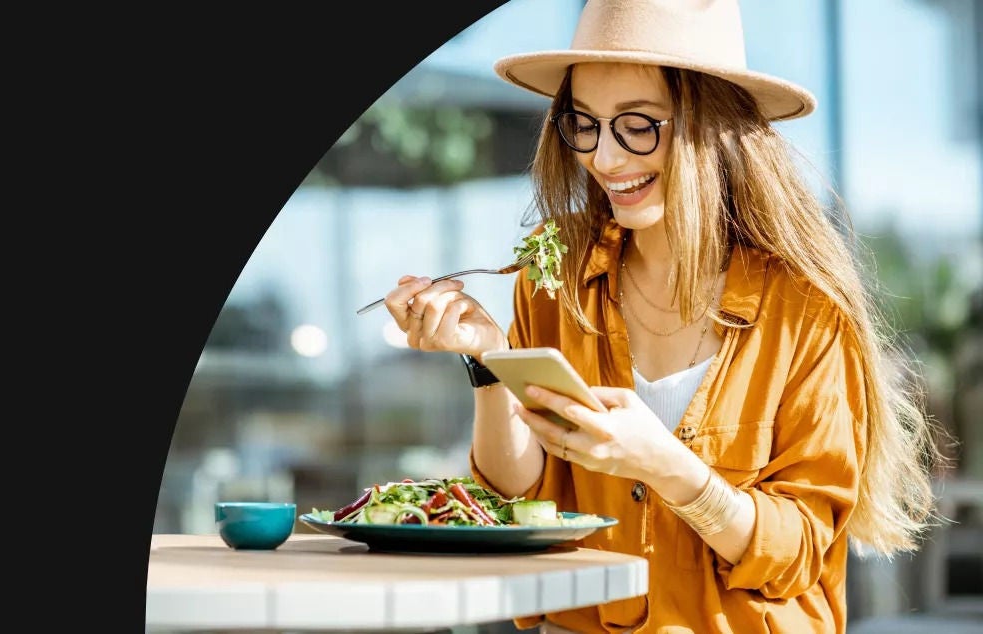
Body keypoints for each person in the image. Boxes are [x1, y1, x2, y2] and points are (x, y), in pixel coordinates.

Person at [377, 1, 948, 632]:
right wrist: (488, 361)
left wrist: (667, 467)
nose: (605, 158)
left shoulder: (804, 310)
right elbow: (524, 502)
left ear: (713, 127)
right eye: (584, 124)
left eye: (637, 126)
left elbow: (799, 550)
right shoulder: (555, 273)